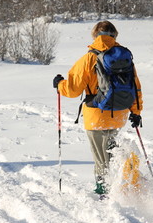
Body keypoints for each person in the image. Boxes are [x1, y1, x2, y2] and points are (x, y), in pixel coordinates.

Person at [53, 21, 143, 196]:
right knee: (113, 151)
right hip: (119, 114)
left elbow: (72, 90)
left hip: (96, 116)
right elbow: (136, 86)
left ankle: (105, 191)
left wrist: (59, 85)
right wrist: (136, 112)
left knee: (101, 158)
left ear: (95, 35)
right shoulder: (124, 57)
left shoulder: (88, 59)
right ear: (114, 35)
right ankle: (125, 182)